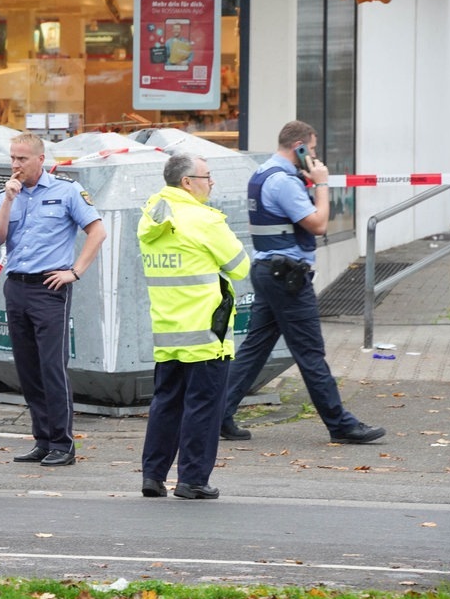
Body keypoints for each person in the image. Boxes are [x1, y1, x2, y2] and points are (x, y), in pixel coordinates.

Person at [220, 120, 386, 444]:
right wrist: (321, 184)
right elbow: (319, 224)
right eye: (310, 149)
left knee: (254, 350)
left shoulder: (263, 172)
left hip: (270, 271)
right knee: (310, 351)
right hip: (287, 278)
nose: (313, 155)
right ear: (297, 146)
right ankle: (341, 424)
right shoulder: (283, 182)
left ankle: (218, 415)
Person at [137, 154, 250, 500]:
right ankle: (193, 479)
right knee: (203, 405)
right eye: (207, 176)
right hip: (205, 333)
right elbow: (240, 267)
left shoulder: (152, 215)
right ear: (187, 182)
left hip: (168, 330)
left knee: (166, 403)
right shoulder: (204, 220)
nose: (211, 182)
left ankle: (153, 476)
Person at [0, 132, 106, 467]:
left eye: (23, 159)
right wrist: (9, 200)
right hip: (16, 285)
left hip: (49, 286)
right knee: (27, 368)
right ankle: (42, 439)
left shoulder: (66, 191)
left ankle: (63, 442)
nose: (16, 165)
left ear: (40, 160)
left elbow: (97, 231)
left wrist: (76, 271)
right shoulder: (5, 194)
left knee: (52, 366)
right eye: (13, 158)